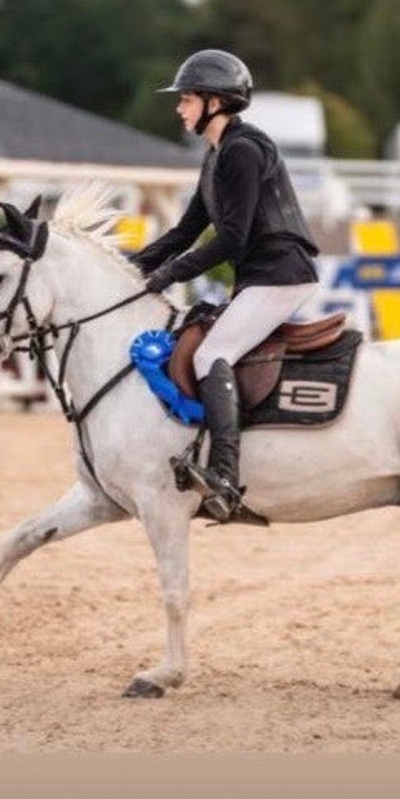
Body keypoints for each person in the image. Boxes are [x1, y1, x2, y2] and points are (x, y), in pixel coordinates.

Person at [130, 49, 320, 521]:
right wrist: (132, 268)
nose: (180, 108)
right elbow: (185, 231)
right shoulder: (216, 156)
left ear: (216, 101)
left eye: (187, 99)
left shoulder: (242, 151)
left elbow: (232, 238)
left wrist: (171, 275)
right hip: (260, 276)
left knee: (210, 355)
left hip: (282, 274)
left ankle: (224, 476)